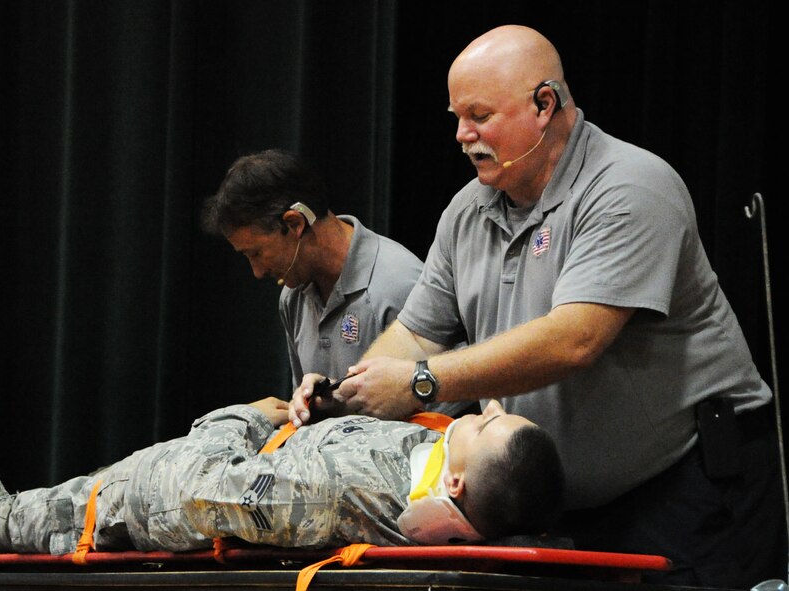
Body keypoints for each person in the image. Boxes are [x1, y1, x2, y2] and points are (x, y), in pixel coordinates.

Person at [290, 25, 784, 587]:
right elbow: (415, 333)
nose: (461, 134)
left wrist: (421, 383)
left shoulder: (630, 186)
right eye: (455, 116)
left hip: (688, 492)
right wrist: (350, 388)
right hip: (556, 511)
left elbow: (575, 339)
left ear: (544, 104)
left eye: (478, 115)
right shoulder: (466, 211)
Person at [0, 398, 564, 558]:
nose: (487, 411)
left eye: (487, 428)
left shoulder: (331, 494)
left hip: (171, 497)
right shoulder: (434, 462)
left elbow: (191, 491)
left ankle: (4, 523)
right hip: (271, 458)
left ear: (455, 487)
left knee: (132, 485)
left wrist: (242, 419)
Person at [203, 149, 470, 416]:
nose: (257, 272)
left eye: (256, 253)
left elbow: (445, 412)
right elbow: (311, 415)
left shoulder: (398, 284)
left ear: (295, 223)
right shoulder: (292, 296)